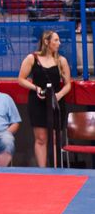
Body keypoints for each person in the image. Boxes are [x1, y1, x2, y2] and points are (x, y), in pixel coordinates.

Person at [17, 30, 72, 167]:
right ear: (47, 42)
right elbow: (21, 79)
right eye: (56, 40)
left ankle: (55, 168)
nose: (59, 43)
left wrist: (59, 95)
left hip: (55, 102)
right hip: (38, 101)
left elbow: (68, 85)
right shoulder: (32, 58)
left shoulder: (61, 60)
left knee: (54, 138)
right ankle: (43, 170)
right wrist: (36, 88)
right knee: (41, 138)